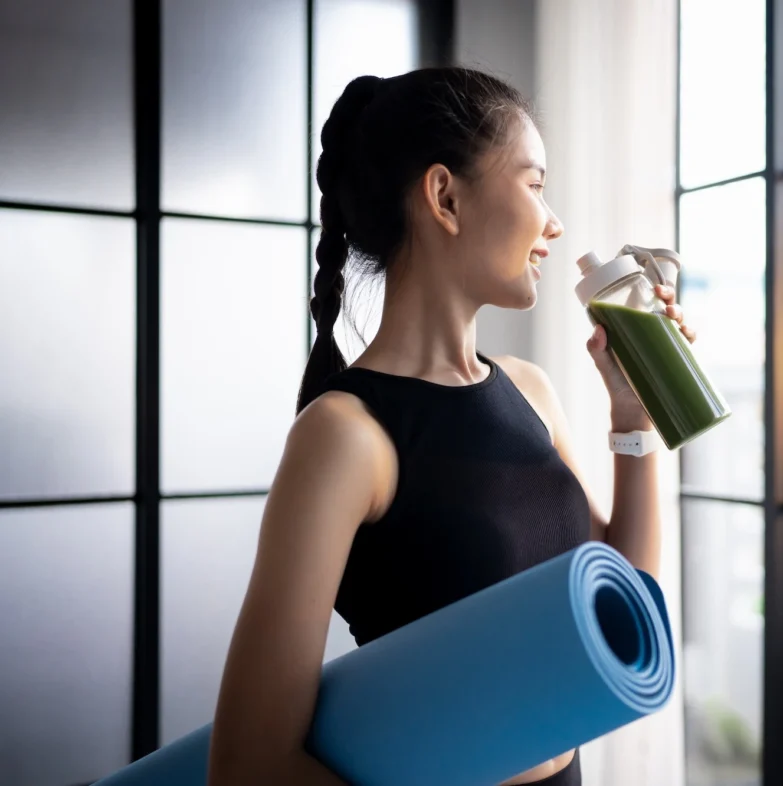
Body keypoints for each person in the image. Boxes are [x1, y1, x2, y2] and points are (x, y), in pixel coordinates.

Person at [205, 67, 695, 786]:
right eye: (534, 184)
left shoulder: (531, 391)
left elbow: (624, 620)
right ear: (445, 196)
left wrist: (634, 418)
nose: (553, 221)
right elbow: (247, 764)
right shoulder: (344, 436)